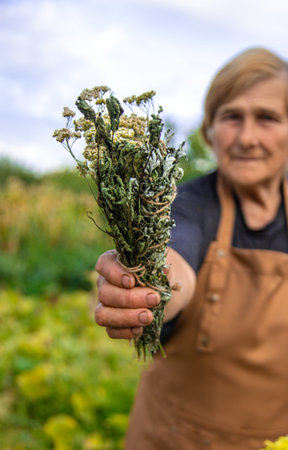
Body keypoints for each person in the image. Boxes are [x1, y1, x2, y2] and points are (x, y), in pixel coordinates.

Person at [95, 47, 288, 449]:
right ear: (209, 133)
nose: (248, 138)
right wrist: (147, 283)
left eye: (267, 118)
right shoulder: (184, 205)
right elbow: (172, 258)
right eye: (232, 116)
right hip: (172, 439)